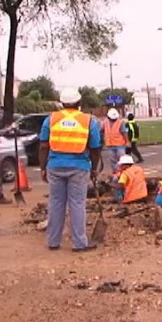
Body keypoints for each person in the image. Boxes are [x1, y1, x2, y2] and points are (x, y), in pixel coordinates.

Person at [39, 88, 102, 252]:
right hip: (79, 167)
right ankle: (79, 243)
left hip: (54, 166)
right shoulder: (88, 121)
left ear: (62, 103)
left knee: (55, 203)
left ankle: (53, 241)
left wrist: (42, 168)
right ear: (79, 103)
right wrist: (94, 169)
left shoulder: (51, 119)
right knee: (77, 204)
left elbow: (44, 146)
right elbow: (95, 148)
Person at [102, 108, 129, 173]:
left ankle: (124, 173)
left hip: (120, 144)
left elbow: (124, 132)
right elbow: (101, 130)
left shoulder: (120, 122)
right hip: (110, 145)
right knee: (113, 160)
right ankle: (115, 172)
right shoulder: (105, 122)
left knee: (122, 160)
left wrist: (127, 142)